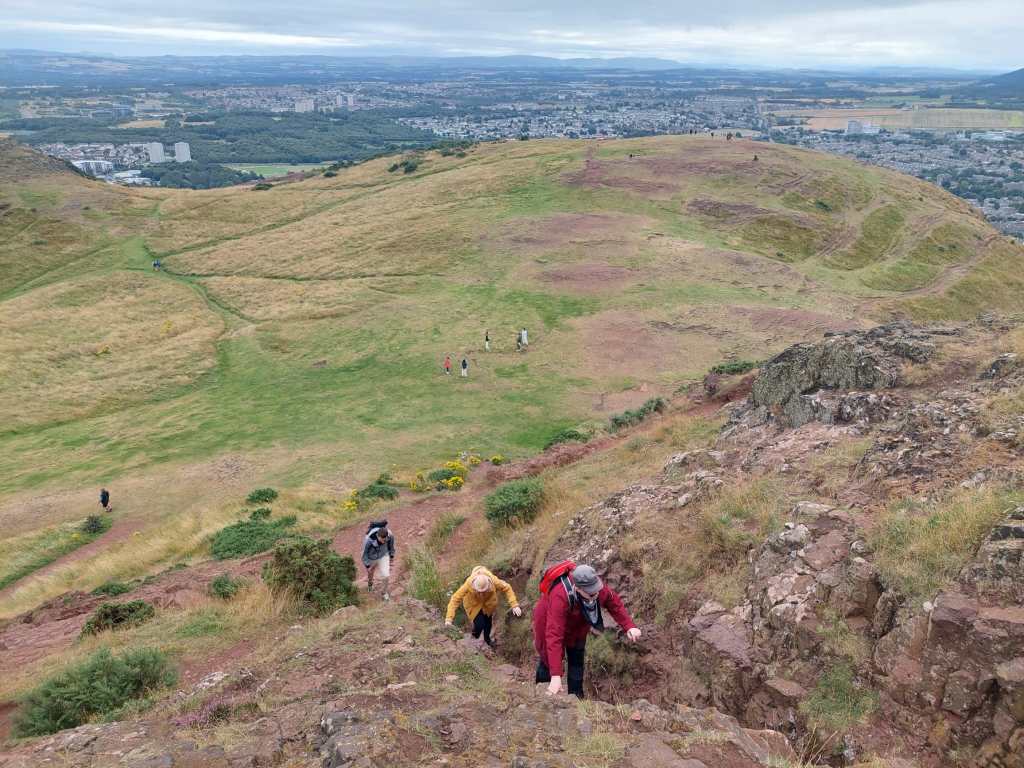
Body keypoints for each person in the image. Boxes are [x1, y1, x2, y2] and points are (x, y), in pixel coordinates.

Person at [533, 563, 641, 698]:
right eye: (590, 593)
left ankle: (576, 696)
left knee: (577, 659)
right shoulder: (560, 595)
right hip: (548, 621)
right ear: (577, 588)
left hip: (578, 626)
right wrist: (556, 675)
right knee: (548, 660)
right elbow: (554, 635)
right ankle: (543, 692)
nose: (595, 595)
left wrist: (629, 626)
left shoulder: (597, 588)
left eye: (596, 590)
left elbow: (614, 603)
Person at [445, 565, 522, 648]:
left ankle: (487, 640)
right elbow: (455, 600)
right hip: (473, 606)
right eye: (479, 591)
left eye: (484, 591)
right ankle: (474, 637)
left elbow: (507, 588)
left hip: (488, 605)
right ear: (474, 586)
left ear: (489, 584)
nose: (481, 594)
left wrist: (514, 605)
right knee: (480, 624)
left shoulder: (493, 580)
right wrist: (449, 619)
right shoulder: (468, 584)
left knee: (488, 625)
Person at [361, 521, 395, 601]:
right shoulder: (368, 539)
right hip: (372, 556)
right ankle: (370, 584)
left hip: (384, 555)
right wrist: (367, 565)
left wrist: (392, 557)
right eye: (382, 540)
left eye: (385, 540)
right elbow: (364, 554)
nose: (383, 541)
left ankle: (384, 593)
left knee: (386, 575)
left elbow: (391, 547)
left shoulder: (390, 535)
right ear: (377, 536)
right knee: (370, 573)